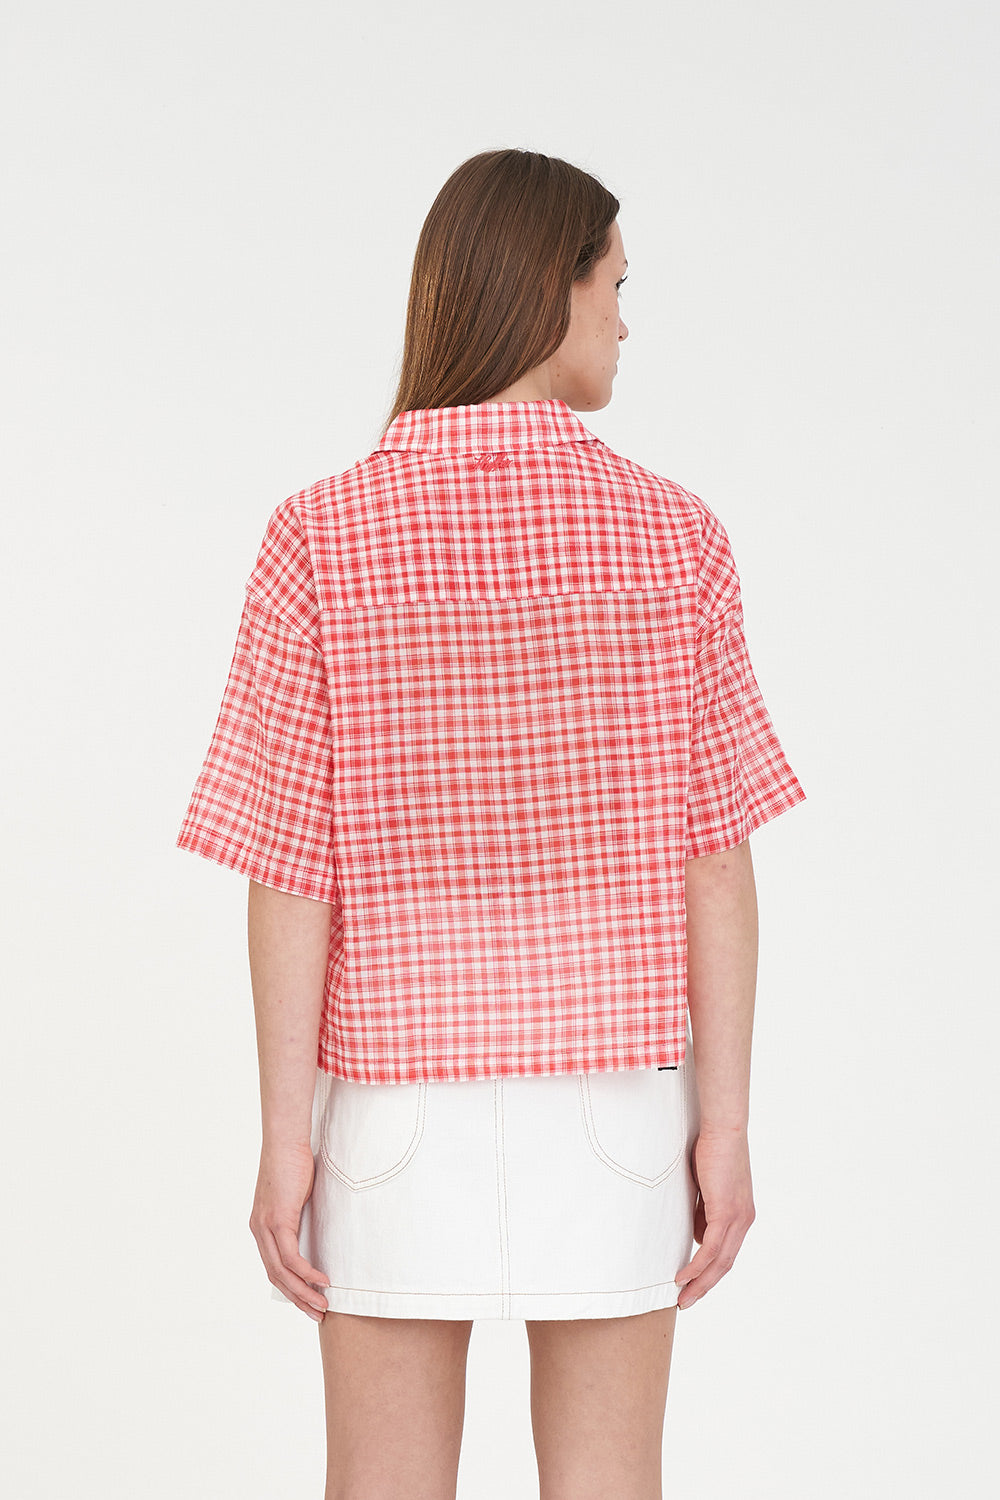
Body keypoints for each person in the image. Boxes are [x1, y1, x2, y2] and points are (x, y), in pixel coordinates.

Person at [177, 148, 805, 1500]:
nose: (627, 321)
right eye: (617, 285)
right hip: (619, 1099)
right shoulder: (675, 537)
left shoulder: (319, 535)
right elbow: (716, 857)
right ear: (549, 287)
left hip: (390, 1101)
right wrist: (726, 1124)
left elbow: (289, 866)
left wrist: (285, 1137)